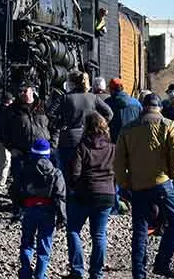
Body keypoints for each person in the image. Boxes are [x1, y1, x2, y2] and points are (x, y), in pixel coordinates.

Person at [115, 93, 174, 278]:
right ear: (159, 108)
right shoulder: (169, 125)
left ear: (143, 108)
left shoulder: (128, 129)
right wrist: (172, 172)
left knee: (140, 229)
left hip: (137, 185)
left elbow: (119, 161)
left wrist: (124, 184)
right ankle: (162, 262)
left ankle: (139, 273)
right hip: (162, 182)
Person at [66, 112, 116, 279]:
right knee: (99, 234)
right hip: (107, 194)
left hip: (85, 193)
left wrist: (74, 187)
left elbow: (75, 173)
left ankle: (77, 270)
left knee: (73, 229)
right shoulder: (112, 148)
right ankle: (96, 273)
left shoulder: (82, 147)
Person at [14, 139, 66, 279]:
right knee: (44, 246)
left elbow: (16, 190)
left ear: (33, 153)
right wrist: (62, 217)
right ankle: (40, 275)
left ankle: (25, 271)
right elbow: (60, 196)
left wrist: (18, 208)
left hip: (30, 209)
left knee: (27, 242)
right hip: (48, 211)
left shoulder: (25, 170)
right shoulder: (56, 173)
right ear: (48, 154)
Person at [49, 70, 113, 178]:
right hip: (88, 139)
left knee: (67, 173)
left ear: (72, 83)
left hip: (68, 139)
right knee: (86, 171)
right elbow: (109, 113)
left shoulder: (65, 98)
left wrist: (60, 124)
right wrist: (98, 125)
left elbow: (50, 113)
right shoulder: (93, 97)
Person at [4, 82, 52, 219]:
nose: (23, 94)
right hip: (21, 150)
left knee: (42, 181)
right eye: (21, 91)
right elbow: (3, 131)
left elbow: (55, 125)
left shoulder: (43, 106)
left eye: (25, 91)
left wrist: (52, 143)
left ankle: (41, 208)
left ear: (32, 91)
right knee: (19, 181)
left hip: (42, 152)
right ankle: (19, 210)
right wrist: (11, 147)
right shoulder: (13, 110)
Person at [105, 78, 142, 144]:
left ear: (112, 90)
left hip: (115, 143)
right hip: (133, 142)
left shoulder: (108, 103)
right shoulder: (136, 103)